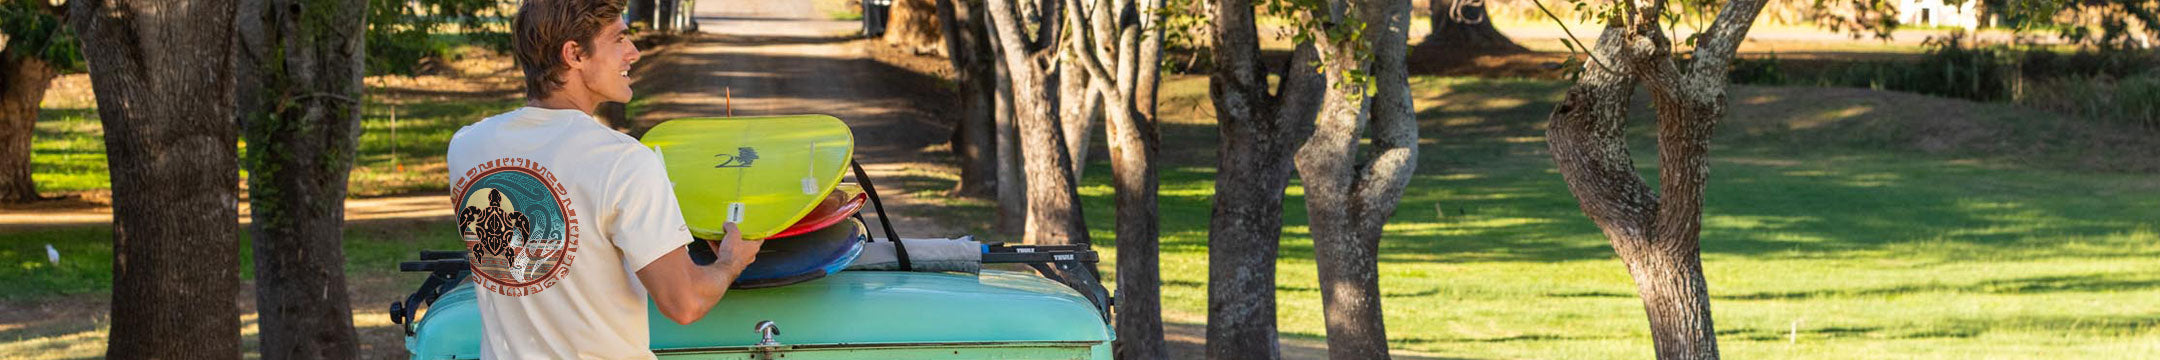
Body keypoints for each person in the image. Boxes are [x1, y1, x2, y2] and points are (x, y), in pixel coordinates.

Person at [444, 0, 764, 358]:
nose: (634, 53)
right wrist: (731, 261)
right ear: (574, 54)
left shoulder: (467, 147)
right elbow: (684, 302)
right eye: (619, 39)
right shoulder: (621, 160)